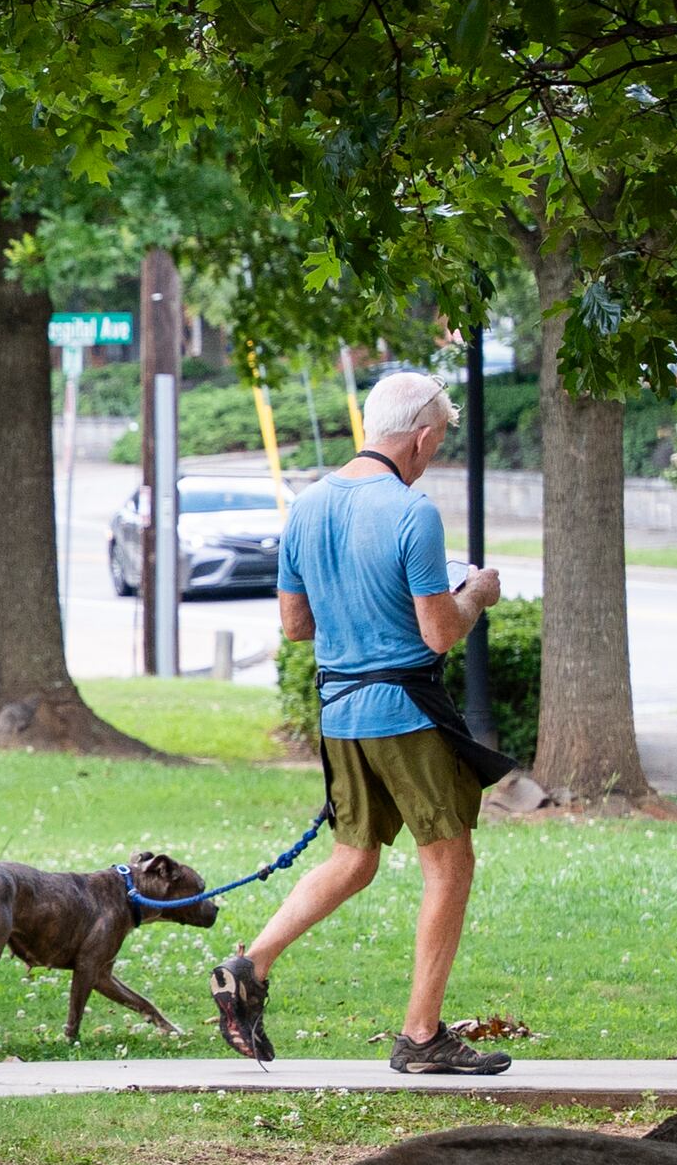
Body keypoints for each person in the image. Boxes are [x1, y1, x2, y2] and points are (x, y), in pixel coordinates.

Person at [208, 368, 513, 1074]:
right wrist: (477, 594)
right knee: (450, 864)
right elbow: (439, 633)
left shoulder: (307, 506)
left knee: (354, 859)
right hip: (404, 713)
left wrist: (355, 614)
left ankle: (249, 966)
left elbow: (294, 624)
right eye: (438, 440)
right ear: (423, 436)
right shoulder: (414, 512)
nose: (435, 451)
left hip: (340, 712)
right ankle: (422, 1036)